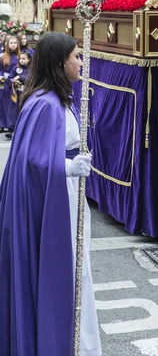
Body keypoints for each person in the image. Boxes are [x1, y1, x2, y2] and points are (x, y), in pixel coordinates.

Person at [0, 32, 102, 356]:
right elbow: (33, 162)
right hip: (54, 203)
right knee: (67, 274)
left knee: (79, 273)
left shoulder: (63, 99)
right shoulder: (43, 105)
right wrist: (68, 168)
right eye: (76, 57)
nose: (81, 62)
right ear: (61, 62)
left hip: (69, 197)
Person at [5, 50, 33, 139]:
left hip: (27, 94)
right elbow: (9, 77)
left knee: (24, 111)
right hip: (16, 93)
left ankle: (24, 130)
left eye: (24, 59)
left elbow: (30, 79)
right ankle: (10, 129)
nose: (21, 60)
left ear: (29, 59)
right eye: (20, 59)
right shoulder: (15, 68)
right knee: (13, 111)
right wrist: (12, 81)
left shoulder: (32, 69)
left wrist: (20, 77)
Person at [0, 35, 21, 133]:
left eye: (15, 43)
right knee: (4, 104)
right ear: (7, 44)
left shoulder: (20, 56)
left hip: (16, 83)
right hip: (5, 82)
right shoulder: (3, 56)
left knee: (14, 105)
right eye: (11, 43)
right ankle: (2, 124)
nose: (13, 45)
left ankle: (12, 125)